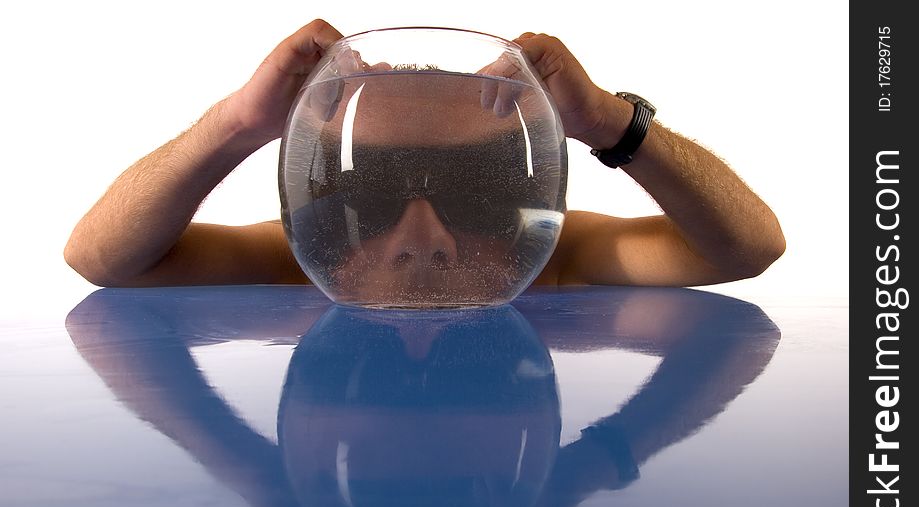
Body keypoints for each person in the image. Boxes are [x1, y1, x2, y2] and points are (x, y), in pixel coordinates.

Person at [63, 20, 785, 289]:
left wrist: (606, 121)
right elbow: (98, 259)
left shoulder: (551, 261)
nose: (422, 243)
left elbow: (747, 249)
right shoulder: (303, 262)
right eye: (370, 196)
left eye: (474, 193)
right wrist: (237, 125)